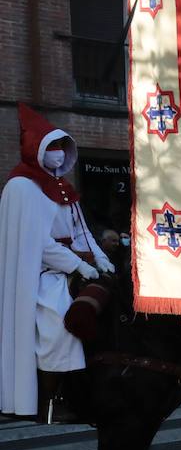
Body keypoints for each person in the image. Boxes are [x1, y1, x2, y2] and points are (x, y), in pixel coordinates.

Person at [0, 104, 115, 422]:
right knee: (59, 323)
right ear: (36, 148)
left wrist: (101, 259)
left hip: (72, 265)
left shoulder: (63, 187)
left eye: (63, 146)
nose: (60, 153)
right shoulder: (22, 186)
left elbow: (82, 231)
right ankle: (51, 399)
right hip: (40, 273)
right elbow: (38, 242)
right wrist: (78, 266)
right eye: (53, 147)